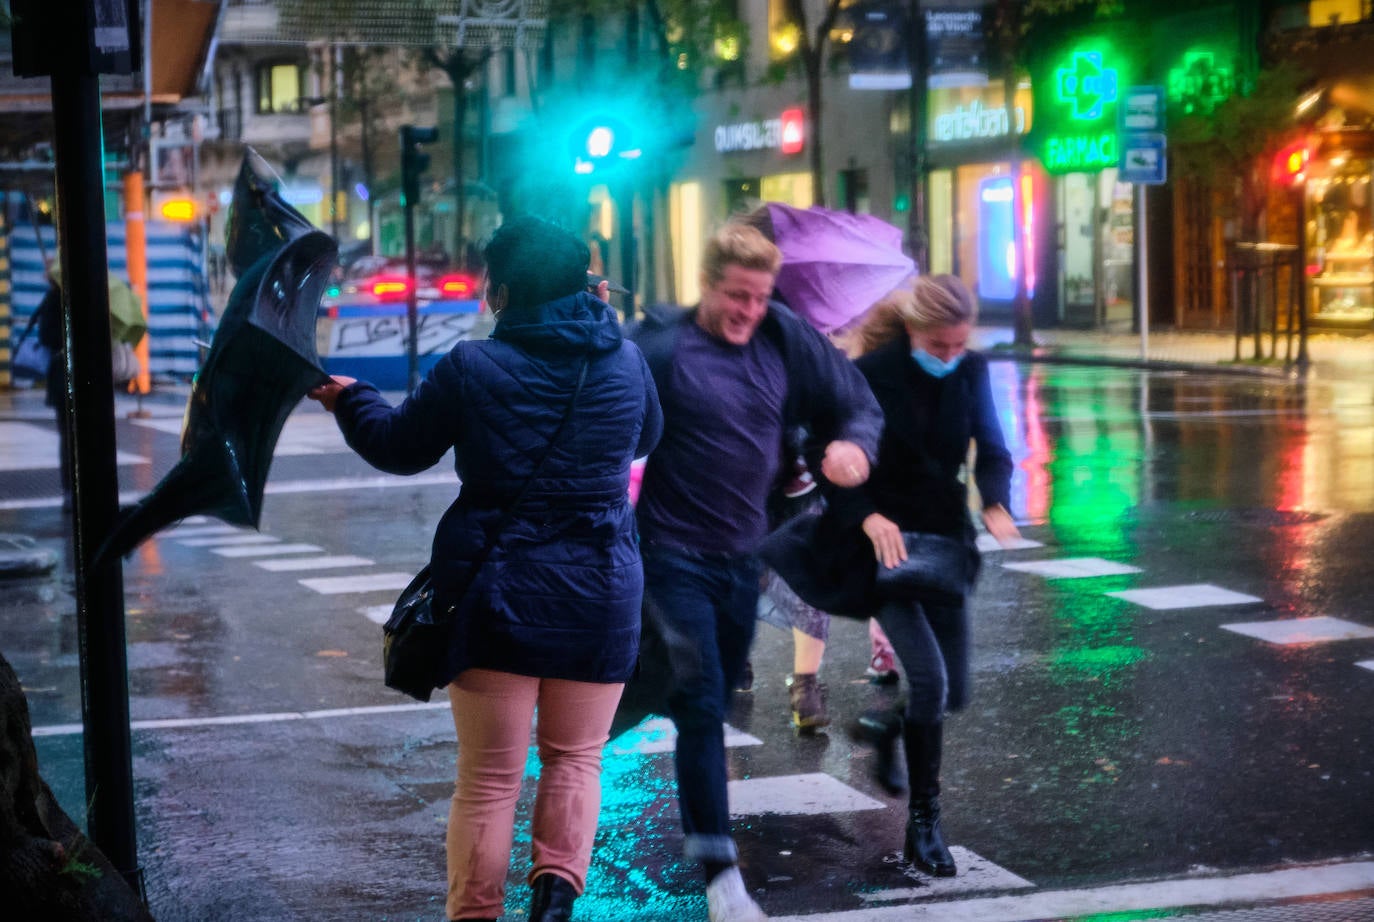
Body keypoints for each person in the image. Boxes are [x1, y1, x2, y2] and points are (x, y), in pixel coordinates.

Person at [309, 216, 663, 922]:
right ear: (585, 281)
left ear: (500, 292)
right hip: (600, 589)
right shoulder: (626, 360)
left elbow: (399, 447)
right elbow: (645, 438)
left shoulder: (472, 367)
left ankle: (474, 915)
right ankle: (553, 907)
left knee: (490, 780)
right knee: (575, 760)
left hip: (496, 589)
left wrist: (351, 399)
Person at [629, 221, 882, 921]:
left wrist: (852, 449)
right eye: (736, 295)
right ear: (708, 285)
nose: (748, 310)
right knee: (703, 701)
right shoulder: (663, 348)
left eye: (760, 297)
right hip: (670, 554)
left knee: (687, 695)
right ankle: (719, 874)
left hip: (742, 558)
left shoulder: (780, 335)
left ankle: (582, 747)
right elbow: (599, 413)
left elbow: (855, 400)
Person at [831, 275, 1020, 877]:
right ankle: (925, 824)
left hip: (944, 546)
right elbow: (836, 464)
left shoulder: (970, 370)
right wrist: (867, 516)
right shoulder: (871, 373)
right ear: (913, 329)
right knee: (932, 682)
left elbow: (992, 447)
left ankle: (887, 728)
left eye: (959, 346)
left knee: (953, 691)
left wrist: (995, 500)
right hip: (884, 550)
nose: (949, 357)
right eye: (939, 346)